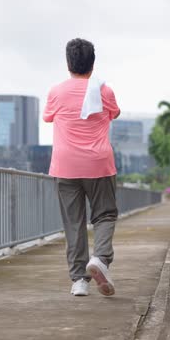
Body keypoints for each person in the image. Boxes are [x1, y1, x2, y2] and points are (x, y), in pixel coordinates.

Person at [43, 38, 121, 297]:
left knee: (73, 223)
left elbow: (48, 117)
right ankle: (100, 258)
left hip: (65, 166)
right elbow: (114, 113)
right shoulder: (104, 91)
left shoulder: (56, 92)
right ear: (93, 62)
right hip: (99, 164)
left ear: (68, 63)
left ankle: (79, 281)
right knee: (105, 214)